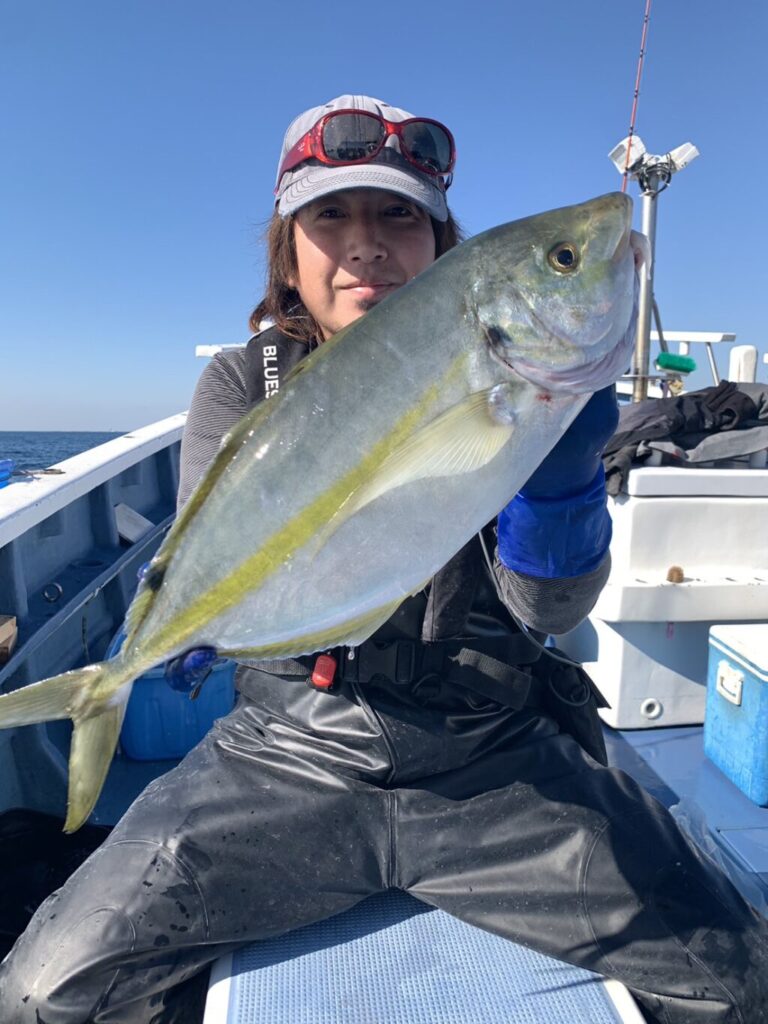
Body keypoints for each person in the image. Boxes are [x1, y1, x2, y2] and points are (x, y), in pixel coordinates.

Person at [1, 94, 767, 1024]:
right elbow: (219, 555)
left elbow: (551, 613)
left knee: (741, 983)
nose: (366, 245)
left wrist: (560, 485)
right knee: (44, 993)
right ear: (289, 251)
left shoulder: (524, 383)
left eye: (399, 216)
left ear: (442, 246)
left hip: (493, 754)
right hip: (287, 753)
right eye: (332, 216)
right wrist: (170, 639)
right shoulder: (243, 382)